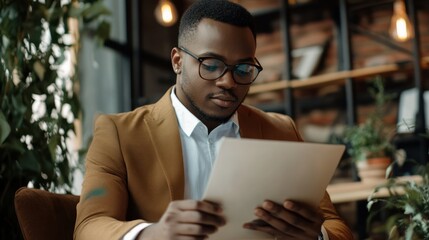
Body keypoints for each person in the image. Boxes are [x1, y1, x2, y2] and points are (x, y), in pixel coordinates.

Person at [74, 0, 353, 239]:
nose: (227, 81)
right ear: (177, 61)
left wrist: (317, 235)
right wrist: (152, 233)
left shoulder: (281, 130)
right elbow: (89, 227)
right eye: (211, 64)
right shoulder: (119, 133)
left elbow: (335, 225)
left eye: (243, 68)